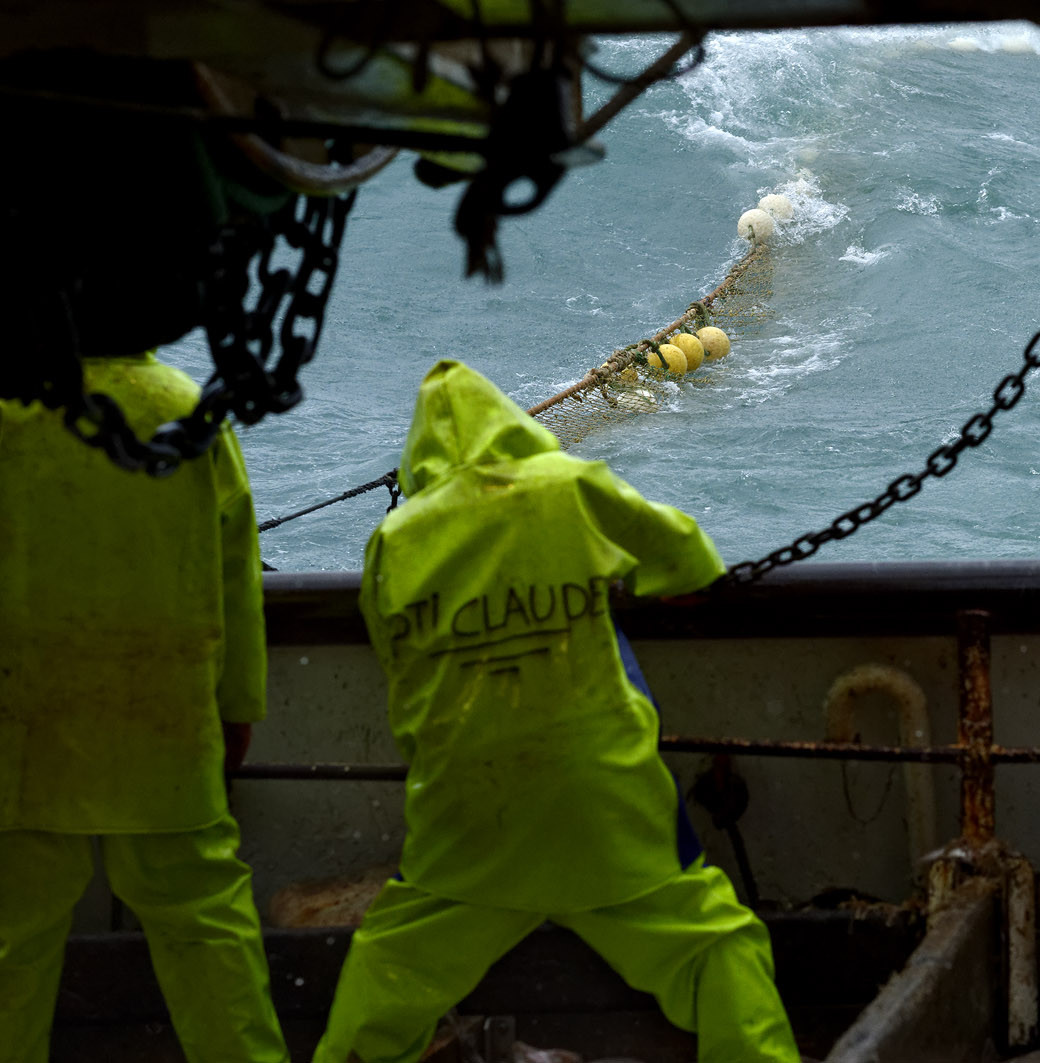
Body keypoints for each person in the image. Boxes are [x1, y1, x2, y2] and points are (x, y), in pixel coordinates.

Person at [313, 359, 800, 1063]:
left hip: (469, 819)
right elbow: (691, 558)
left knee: (389, 971)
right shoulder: (569, 487)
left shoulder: (395, 539)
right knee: (716, 947)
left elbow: (396, 659)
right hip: (602, 804)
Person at [0, 351, 288, 1063]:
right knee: (206, 927)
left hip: (27, 730)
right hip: (164, 724)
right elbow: (236, 578)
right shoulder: (189, 409)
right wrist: (239, 706)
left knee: (13, 938)